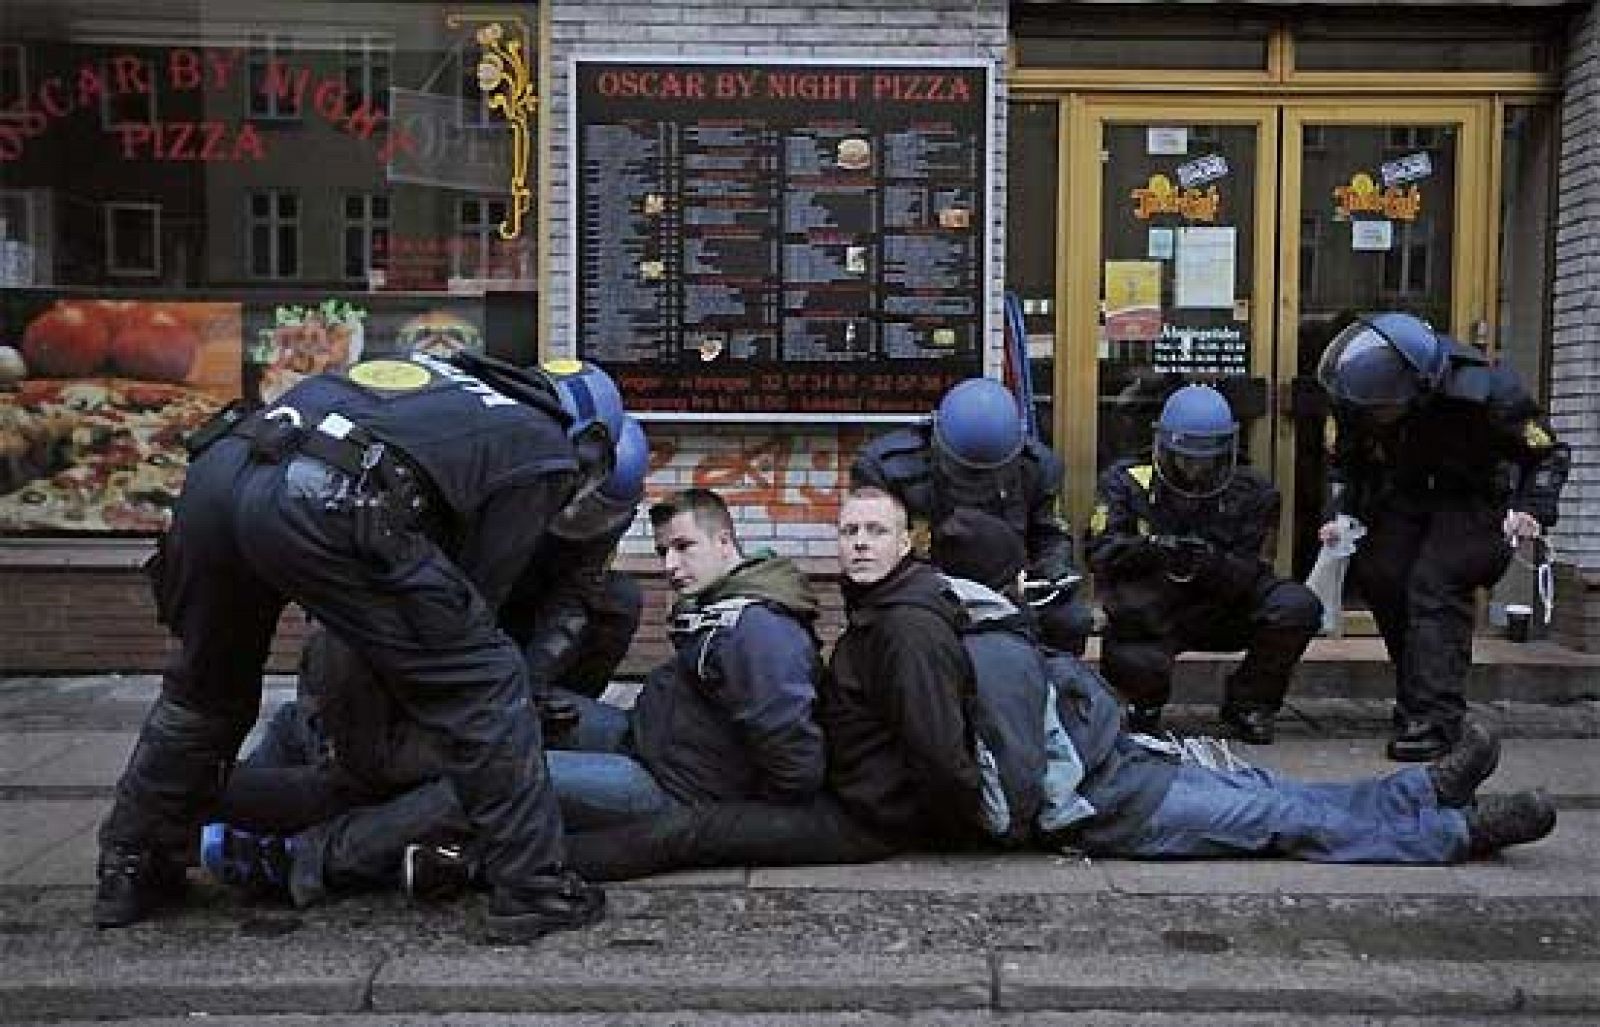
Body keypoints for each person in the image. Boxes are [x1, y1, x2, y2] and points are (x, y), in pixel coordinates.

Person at [94, 350, 620, 941]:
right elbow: (471, 610)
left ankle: (134, 864)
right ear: (592, 440)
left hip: (217, 478)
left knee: (204, 691)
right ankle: (534, 889)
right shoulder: (543, 446)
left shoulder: (444, 380)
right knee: (487, 681)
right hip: (326, 498)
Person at [200, 487, 827, 905]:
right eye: (663, 551)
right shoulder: (720, 608)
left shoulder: (756, 629)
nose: (670, 565)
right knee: (502, 723)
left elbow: (792, 752)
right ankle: (277, 791)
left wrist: (746, 809)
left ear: (726, 543)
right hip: (643, 737)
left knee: (490, 780)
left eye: (684, 548)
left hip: (667, 786)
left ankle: (308, 859)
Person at [1317, 312, 1570, 760]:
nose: (1377, 417)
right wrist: (1340, 515)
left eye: (1385, 409)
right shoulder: (1356, 395)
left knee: (1435, 583)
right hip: (1406, 496)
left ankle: (1436, 719)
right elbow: (1345, 464)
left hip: (1474, 501)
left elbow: (1548, 453)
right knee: (1382, 574)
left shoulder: (1490, 392)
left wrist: (1532, 509)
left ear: (1420, 387)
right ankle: (1417, 695)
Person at [1085, 384, 1322, 744]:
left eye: (1204, 460)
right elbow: (1100, 552)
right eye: (1185, 459)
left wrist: (1212, 562)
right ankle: (1144, 703)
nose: (1194, 470)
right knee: (1132, 633)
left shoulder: (1253, 490)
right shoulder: (1127, 481)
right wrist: (1153, 549)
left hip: (1222, 601)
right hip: (1153, 607)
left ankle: (1250, 703)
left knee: (1295, 606)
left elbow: (1256, 566)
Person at [851, 376, 1093, 655]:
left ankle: (1048, 677)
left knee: (1070, 620)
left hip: (1006, 588)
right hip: (921, 587)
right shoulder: (887, 468)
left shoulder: (1037, 468)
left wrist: (1053, 573)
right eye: (966, 472)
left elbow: (1049, 535)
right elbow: (870, 551)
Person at [499, 415, 650, 702]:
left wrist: (533, 686)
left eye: (594, 512)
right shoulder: (518, 481)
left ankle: (569, 702)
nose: (574, 517)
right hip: (496, 589)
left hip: (548, 599)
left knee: (620, 598)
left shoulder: (612, 521)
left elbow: (577, 595)